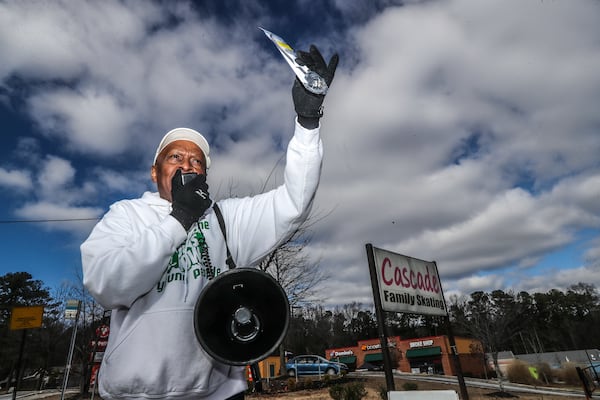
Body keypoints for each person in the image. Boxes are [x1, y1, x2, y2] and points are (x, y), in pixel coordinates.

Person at [81, 45, 338, 400]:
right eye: (175, 157)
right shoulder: (126, 215)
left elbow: (294, 203)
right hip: (133, 393)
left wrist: (308, 123)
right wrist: (179, 220)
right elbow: (107, 284)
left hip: (218, 393)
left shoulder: (225, 217)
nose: (187, 165)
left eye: (196, 161)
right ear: (155, 172)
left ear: (204, 174)